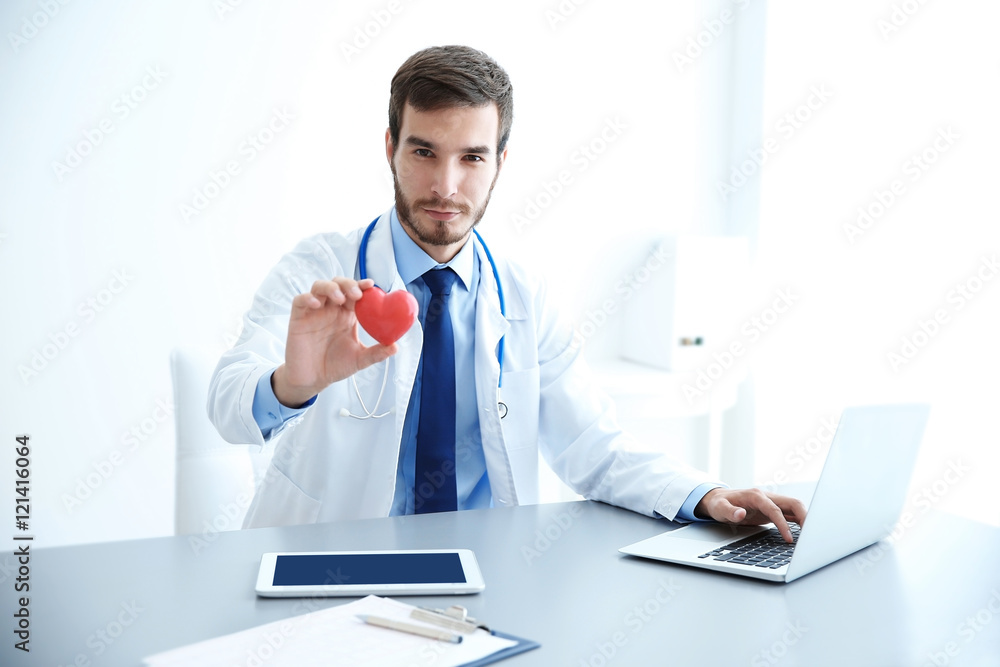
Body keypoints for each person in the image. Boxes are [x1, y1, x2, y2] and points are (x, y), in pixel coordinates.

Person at [207, 45, 806, 540]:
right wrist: (295, 384)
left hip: (484, 576)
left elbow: (592, 448)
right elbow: (227, 402)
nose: (446, 185)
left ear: (500, 161)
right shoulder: (320, 269)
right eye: (423, 152)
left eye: (471, 157)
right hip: (333, 566)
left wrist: (706, 495)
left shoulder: (524, 294)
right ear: (389, 147)